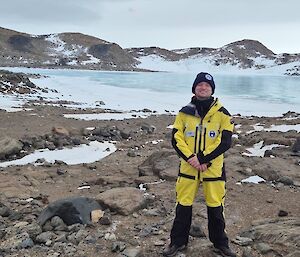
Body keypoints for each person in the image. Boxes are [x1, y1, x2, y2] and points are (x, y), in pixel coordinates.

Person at [163, 72, 236, 257]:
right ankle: (177, 243)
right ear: (194, 88)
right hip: (188, 168)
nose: (203, 88)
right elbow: (176, 138)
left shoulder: (223, 114)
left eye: (207, 85)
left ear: (212, 90)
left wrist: (202, 159)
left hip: (213, 169)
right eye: (199, 85)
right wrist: (192, 159)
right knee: (183, 206)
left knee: (216, 207)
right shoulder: (184, 112)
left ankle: (220, 244)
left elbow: (225, 141)